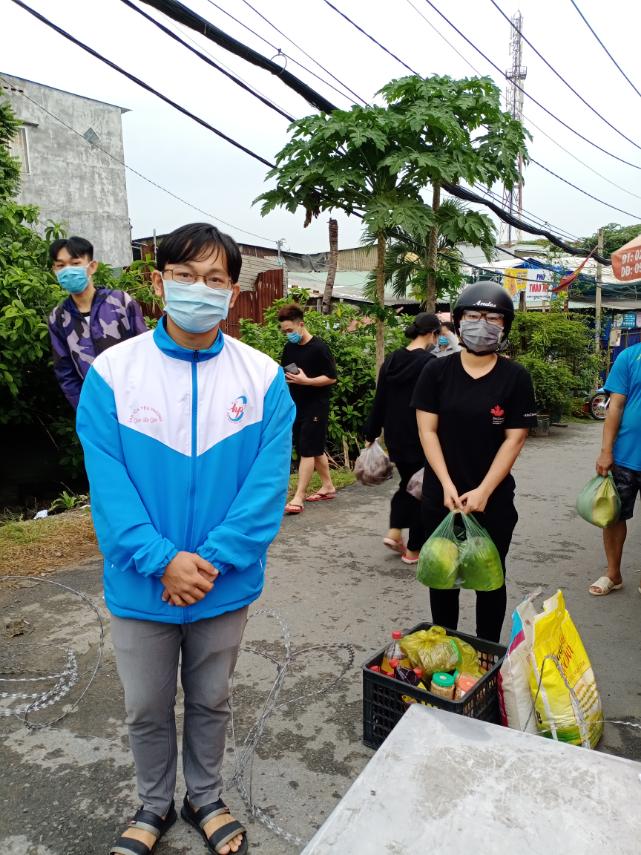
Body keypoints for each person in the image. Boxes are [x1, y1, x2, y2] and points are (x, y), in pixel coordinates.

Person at [76, 223, 295, 855]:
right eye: (185, 276)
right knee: (146, 705)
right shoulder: (115, 374)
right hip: (141, 581)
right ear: (159, 280)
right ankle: (152, 805)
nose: (200, 289)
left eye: (215, 279)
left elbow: (264, 489)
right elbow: (108, 483)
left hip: (223, 584)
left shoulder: (262, 377)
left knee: (211, 698)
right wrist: (161, 560)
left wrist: (210, 562)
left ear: (233, 292)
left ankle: (205, 796)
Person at [411, 280, 537, 642]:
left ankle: (486, 655)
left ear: (504, 325)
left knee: (489, 580)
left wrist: (483, 490)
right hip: (441, 498)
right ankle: (445, 651)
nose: (482, 324)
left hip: (492, 500)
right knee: (443, 579)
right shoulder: (435, 372)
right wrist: (448, 485)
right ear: (459, 321)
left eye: (493, 318)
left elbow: (515, 438)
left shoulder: (515, 377)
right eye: (474, 315)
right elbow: (427, 432)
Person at [364, 312, 441, 564]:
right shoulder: (430, 364)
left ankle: (395, 531)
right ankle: (414, 549)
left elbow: (380, 400)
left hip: (395, 437)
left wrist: (371, 433)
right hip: (421, 436)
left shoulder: (391, 360)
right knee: (423, 490)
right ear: (432, 334)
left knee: (408, 482)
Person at [48, 236, 147, 409]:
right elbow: (65, 371)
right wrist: (85, 408)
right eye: (61, 265)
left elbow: (145, 350)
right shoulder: (58, 317)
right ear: (54, 271)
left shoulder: (121, 301)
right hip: (96, 407)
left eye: (75, 263)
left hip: (137, 400)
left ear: (92, 266)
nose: (68, 270)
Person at [590, 341, 641, 596]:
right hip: (626, 456)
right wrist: (606, 451)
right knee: (612, 516)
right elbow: (616, 406)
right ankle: (613, 573)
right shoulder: (631, 357)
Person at [278, 303, 337, 514]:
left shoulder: (320, 348)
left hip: (316, 406)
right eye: (284, 332)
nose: (288, 335)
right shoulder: (289, 348)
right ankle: (328, 486)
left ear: (301, 325)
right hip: (296, 405)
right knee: (314, 447)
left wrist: (307, 381)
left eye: (290, 331)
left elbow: (331, 378)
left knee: (306, 450)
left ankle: (298, 497)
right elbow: (286, 374)